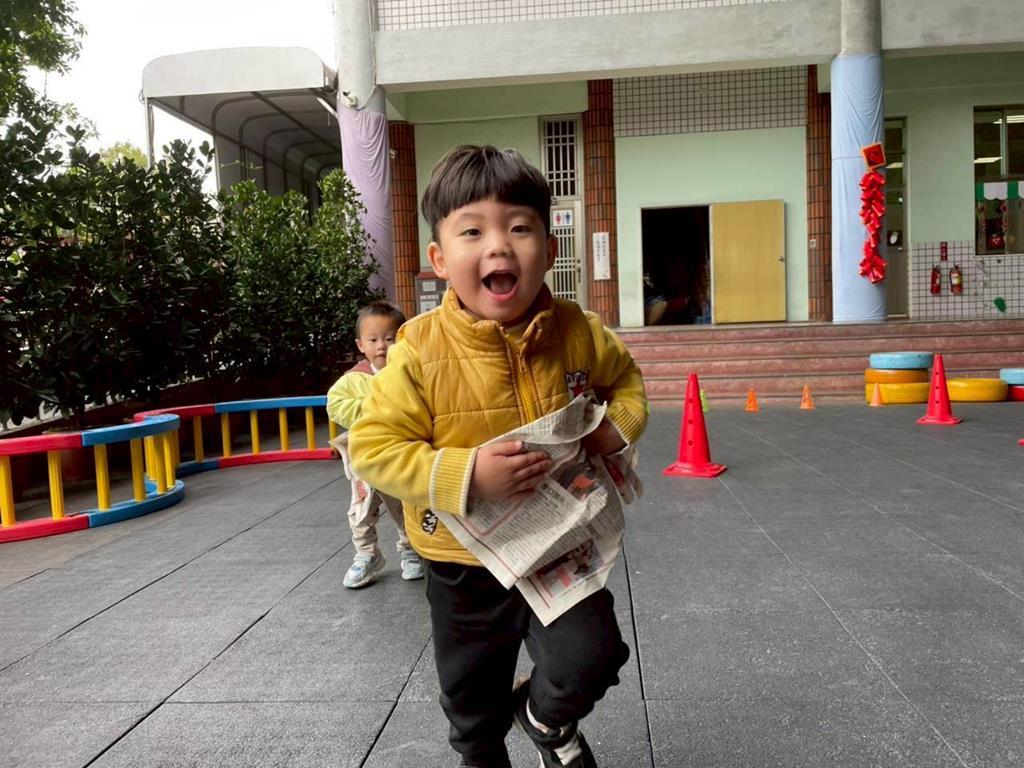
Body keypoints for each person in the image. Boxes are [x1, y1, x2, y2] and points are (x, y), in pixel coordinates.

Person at [350, 145, 648, 768]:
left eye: (519, 227)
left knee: (593, 657)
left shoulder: (577, 330)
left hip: (557, 544)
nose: (498, 247)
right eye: (472, 232)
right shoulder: (418, 350)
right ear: (439, 259)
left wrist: (614, 429)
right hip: (462, 560)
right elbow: (375, 448)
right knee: (473, 703)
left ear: (550, 247)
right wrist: (467, 474)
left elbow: (626, 382)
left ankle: (544, 720)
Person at [326, 300, 424, 588]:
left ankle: (410, 550)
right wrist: (376, 406)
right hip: (364, 460)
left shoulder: (410, 373)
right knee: (361, 510)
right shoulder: (353, 380)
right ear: (361, 344)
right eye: (373, 340)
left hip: (399, 457)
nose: (382, 346)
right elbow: (336, 406)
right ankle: (366, 554)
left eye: (390, 338)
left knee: (404, 507)